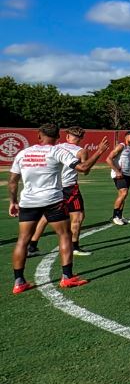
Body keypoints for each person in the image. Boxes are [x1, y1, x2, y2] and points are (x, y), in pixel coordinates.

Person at [9, 124, 109, 294]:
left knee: (22, 240)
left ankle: (19, 282)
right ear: (58, 137)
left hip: (28, 201)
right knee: (64, 235)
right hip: (52, 200)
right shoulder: (56, 151)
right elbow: (83, 168)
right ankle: (67, 277)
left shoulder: (23, 153)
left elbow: (13, 180)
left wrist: (12, 202)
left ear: (38, 136)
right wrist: (99, 151)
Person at [25, 127, 96, 257]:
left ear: (67, 136)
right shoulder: (81, 151)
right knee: (78, 216)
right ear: (81, 138)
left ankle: (32, 246)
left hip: (53, 186)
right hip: (69, 187)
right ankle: (74, 246)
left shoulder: (56, 147)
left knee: (46, 217)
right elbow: (85, 171)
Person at [106, 131, 130, 225]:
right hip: (119, 174)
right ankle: (115, 216)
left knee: (123, 195)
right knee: (124, 193)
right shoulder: (121, 146)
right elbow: (108, 159)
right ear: (126, 137)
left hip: (128, 174)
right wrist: (117, 171)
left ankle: (120, 216)